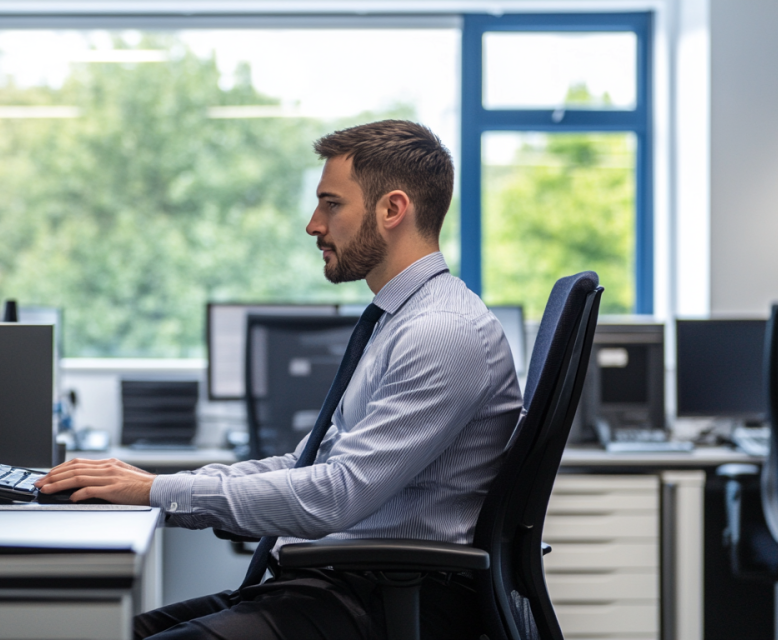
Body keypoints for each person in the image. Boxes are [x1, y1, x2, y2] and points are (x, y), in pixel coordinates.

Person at [35, 119, 522, 639]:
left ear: (392, 209)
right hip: (350, 585)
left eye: (331, 204)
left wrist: (158, 491)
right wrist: (155, 489)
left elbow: (334, 496)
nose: (314, 225)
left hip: (398, 603)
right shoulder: (402, 321)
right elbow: (308, 463)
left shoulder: (441, 333)